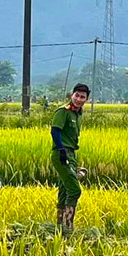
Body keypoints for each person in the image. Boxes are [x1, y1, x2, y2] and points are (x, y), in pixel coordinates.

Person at [51, 83, 91, 232]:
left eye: (82, 97)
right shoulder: (63, 112)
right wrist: (61, 150)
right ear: (72, 95)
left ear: (86, 99)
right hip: (61, 153)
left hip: (71, 153)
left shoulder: (78, 113)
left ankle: (59, 225)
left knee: (65, 189)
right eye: (77, 96)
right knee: (75, 190)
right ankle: (68, 227)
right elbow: (55, 131)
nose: (79, 99)